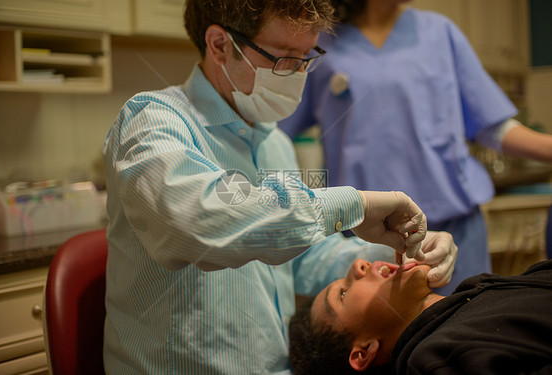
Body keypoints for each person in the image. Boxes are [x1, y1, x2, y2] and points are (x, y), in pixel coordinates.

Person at [101, 1, 459, 373]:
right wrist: (353, 205)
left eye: (307, 56)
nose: (298, 73)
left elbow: (301, 257)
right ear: (221, 45)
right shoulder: (152, 122)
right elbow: (199, 223)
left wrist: (402, 250)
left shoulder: (275, 145)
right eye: (284, 57)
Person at [279, 0, 552, 295]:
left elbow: (490, 125)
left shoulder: (439, 32)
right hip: (369, 237)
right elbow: (276, 129)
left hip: (455, 226)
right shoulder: (321, 43)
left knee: (470, 330)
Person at [289, 258, 552, 375]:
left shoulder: (474, 291)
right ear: (363, 352)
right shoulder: (436, 360)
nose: (358, 263)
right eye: (343, 294)